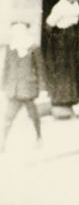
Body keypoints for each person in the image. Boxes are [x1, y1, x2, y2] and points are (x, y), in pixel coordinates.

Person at [43, 0, 79, 118]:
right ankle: (61, 100)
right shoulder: (60, 6)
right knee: (63, 69)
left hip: (72, 39)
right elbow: (49, 25)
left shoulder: (76, 6)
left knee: (73, 68)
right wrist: (57, 38)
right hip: (62, 41)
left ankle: (72, 99)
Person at [1, 21, 44, 151]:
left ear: (25, 32)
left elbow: (40, 68)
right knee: (8, 117)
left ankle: (38, 137)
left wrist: (41, 88)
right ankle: (2, 143)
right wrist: (3, 86)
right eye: (15, 31)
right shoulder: (11, 47)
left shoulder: (33, 47)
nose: (17, 34)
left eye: (20, 31)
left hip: (28, 88)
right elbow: (6, 68)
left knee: (33, 115)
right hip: (14, 88)